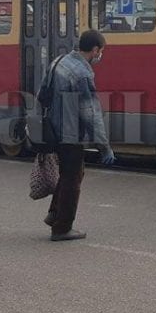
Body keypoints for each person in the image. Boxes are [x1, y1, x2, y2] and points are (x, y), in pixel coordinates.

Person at [37, 29, 114, 242]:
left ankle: (55, 214)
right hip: (70, 133)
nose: (100, 56)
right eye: (101, 51)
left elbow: (42, 94)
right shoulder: (82, 73)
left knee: (69, 173)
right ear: (95, 49)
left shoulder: (59, 61)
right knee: (73, 177)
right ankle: (62, 228)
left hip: (53, 129)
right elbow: (90, 112)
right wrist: (104, 145)